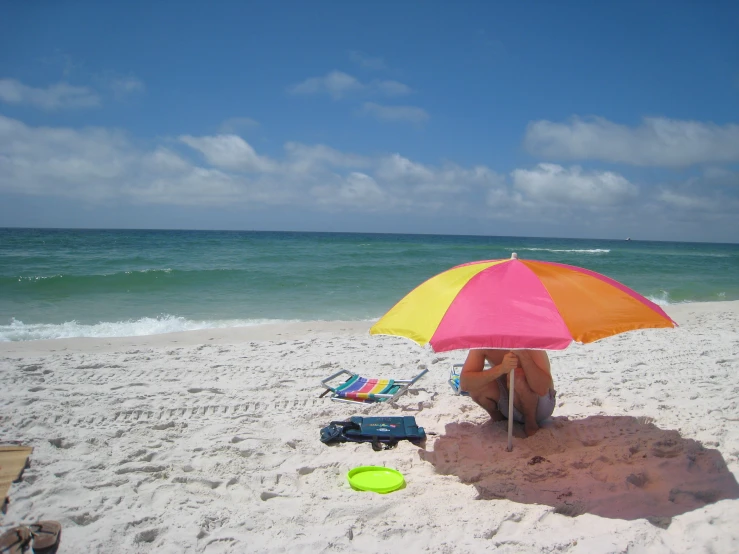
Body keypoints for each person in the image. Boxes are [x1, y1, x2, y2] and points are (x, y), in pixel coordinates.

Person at [460, 349, 555, 437]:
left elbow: (543, 389)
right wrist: (501, 368)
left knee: (516, 376)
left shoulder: (530, 336)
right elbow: (465, 384)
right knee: (476, 385)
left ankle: (530, 422)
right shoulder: (484, 340)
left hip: (541, 404)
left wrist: (523, 355)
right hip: (511, 404)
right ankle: (500, 419)